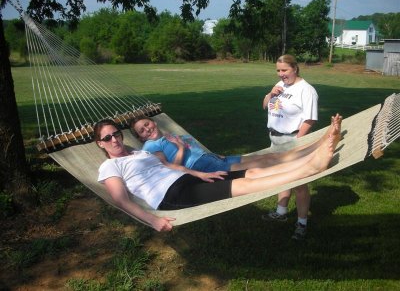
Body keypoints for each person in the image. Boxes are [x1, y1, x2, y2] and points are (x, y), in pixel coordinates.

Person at [96, 115, 342, 232]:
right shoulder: (109, 166)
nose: (114, 139)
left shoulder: (137, 153)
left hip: (187, 178)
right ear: (100, 144)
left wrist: (198, 174)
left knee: (254, 171)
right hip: (170, 194)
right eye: (107, 137)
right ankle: (311, 167)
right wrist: (153, 220)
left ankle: (309, 159)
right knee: (245, 186)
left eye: (116, 134)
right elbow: (120, 199)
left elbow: (168, 167)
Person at [262, 54, 319, 240]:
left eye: (284, 70)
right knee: (282, 177)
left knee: (299, 184)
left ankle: (302, 223)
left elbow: (310, 119)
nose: (281, 74)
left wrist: (297, 142)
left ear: (295, 68)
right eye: (278, 70)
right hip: (276, 140)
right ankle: (281, 211)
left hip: (293, 140)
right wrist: (271, 94)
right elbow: (265, 106)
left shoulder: (306, 90)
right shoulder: (281, 86)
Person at [130, 116, 318, 172]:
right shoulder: (150, 147)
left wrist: (215, 154)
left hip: (209, 158)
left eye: (146, 124)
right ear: (141, 138)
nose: (146, 129)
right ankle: (304, 160)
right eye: (141, 131)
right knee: (255, 164)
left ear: (153, 122)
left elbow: (192, 147)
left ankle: (307, 151)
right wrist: (179, 148)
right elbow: (170, 167)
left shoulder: (166, 134)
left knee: (261, 157)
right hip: (199, 165)